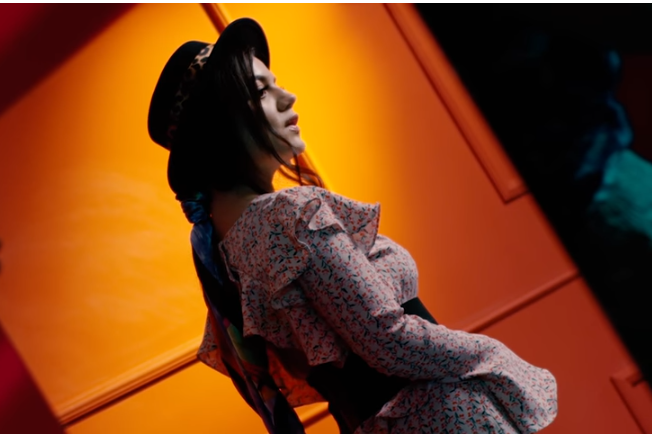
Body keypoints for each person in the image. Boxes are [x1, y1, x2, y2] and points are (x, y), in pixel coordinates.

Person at [148, 18, 558, 434]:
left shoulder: (224, 255)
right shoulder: (291, 215)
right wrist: (492, 354)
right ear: (220, 127)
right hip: (441, 418)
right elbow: (389, 339)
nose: (288, 97)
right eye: (261, 92)